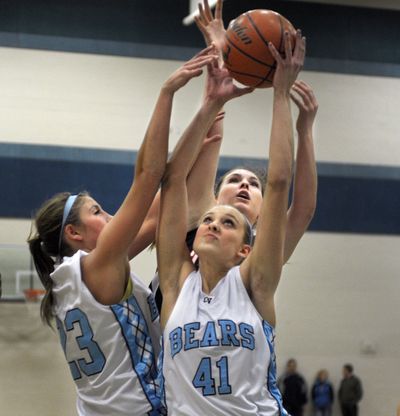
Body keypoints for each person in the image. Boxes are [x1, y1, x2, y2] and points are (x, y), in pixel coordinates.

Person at [27, 47, 218, 416]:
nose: (111, 215)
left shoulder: (79, 279)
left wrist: (207, 111)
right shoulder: (97, 268)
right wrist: (167, 93)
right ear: (74, 234)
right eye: (97, 211)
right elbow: (149, 177)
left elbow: (167, 193)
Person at [157, 28, 305, 415]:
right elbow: (173, 179)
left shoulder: (256, 284)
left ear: (245, 248)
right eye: (208, 218)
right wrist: (208, 104)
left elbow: (279, 183)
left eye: (227, 223)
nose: (212, 224)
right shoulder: (175, 282)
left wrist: (280, 94)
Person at [150, 0, 318, 310]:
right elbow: (211, 136)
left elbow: (301, 206)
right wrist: (220, 57)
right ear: (214, 196)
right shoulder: (198, 221)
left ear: (263, 212)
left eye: (254, 185)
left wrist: (305, 130)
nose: (244, 185)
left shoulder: (262, 252)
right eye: (235, 179)